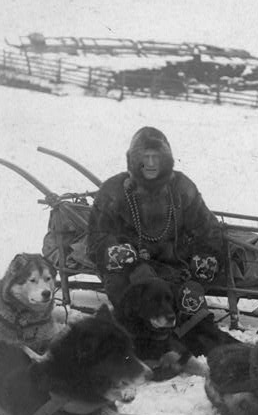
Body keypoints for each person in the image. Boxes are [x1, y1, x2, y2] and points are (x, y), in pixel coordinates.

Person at [87, 126, 226, 314]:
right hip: (130, 271)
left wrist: (205, 256)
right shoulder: (114, 190)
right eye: (145, 158)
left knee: (190, 315)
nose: (151, 164)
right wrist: (116, 251)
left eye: (156, 157)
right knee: (142, 312)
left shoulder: (182, 188)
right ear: (135, 161)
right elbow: (97, 236)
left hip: (176, 268)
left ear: (166, 161)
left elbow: (208, 229)